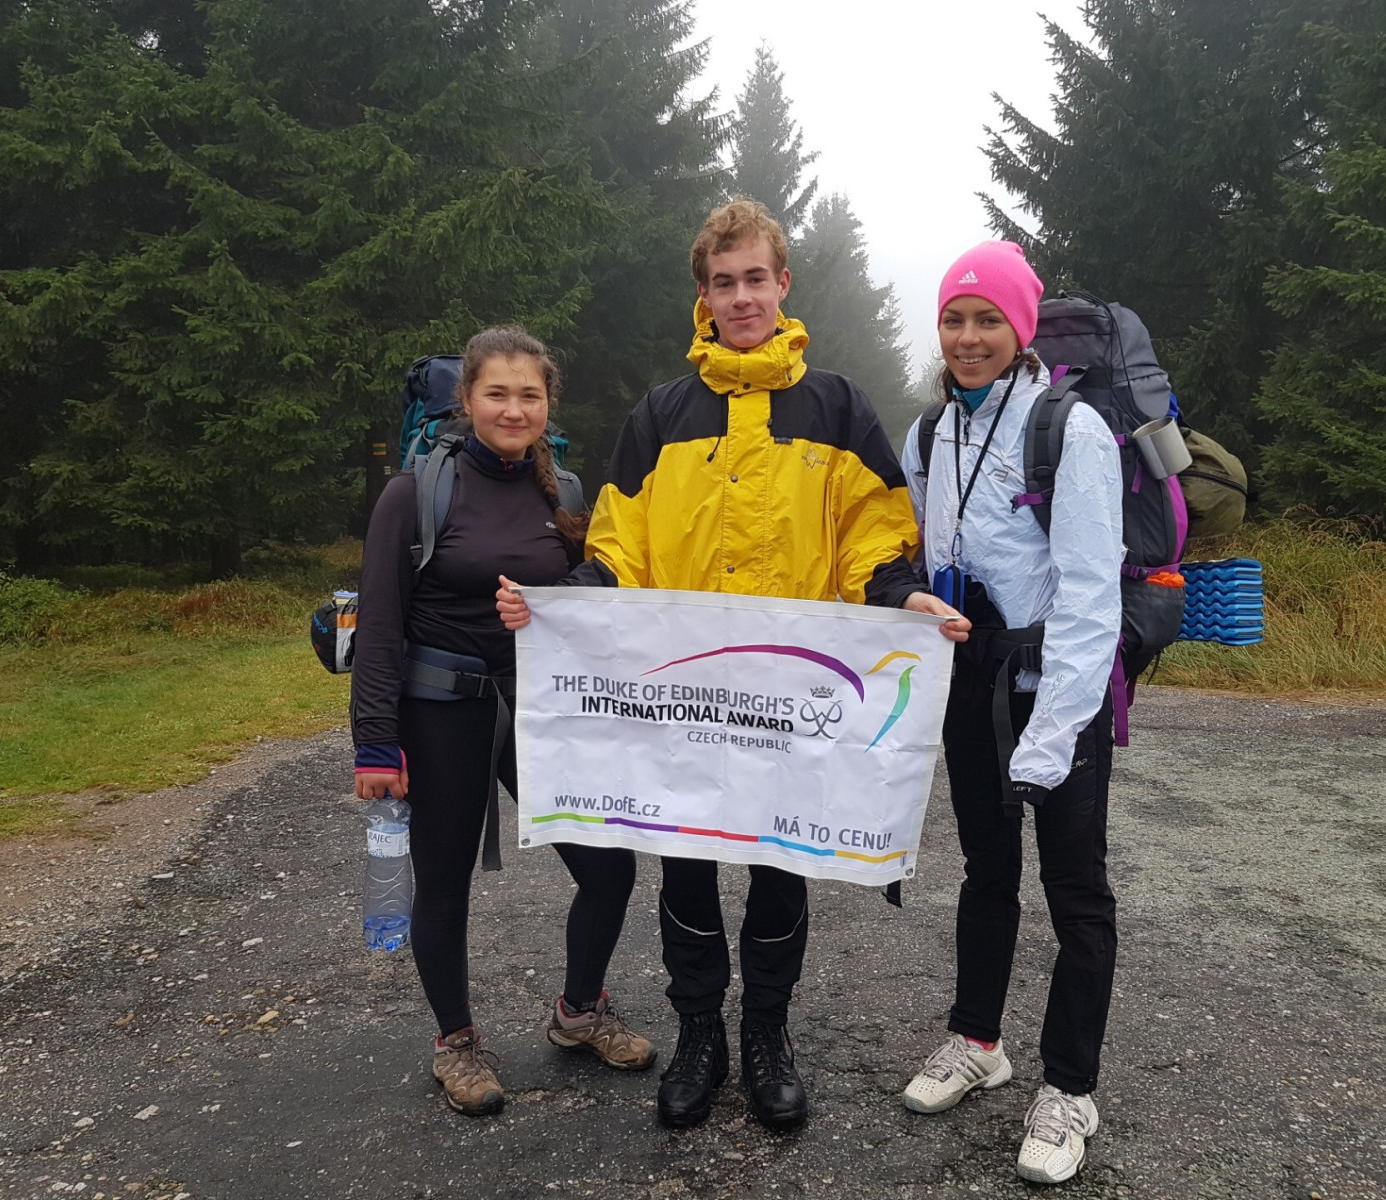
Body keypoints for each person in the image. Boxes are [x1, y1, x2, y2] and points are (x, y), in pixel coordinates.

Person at [497, 198, 969, 1133]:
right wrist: (564, 602)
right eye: (724, 283)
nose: (742, 296)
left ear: (783, 283)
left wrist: (900, 593)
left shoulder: (837, 406)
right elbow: (622, 540)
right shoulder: (661, 414)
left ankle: (767, 1036)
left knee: (781, 864)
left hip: (793, 691)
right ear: (703, 296)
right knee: (686, 870)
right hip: (687, 693)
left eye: (756, 278)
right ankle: (699, 1037)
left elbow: (872, 531)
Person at [352, 326, 655, 1117]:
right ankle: (456, 1045)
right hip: (440, 710)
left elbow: (598, 598)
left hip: (543, 707)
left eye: (530, 394)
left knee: (609, 867)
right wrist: (375, 742)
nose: (514, 409)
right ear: (467, 399)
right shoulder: (413, 491)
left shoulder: (568, 494)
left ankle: (579, 1012)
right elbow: (379, 625)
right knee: (444, 883)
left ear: (548, 402)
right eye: (497, 393)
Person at [895, 241, 1123, 1184]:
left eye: (988, 319)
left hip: (1056, 687)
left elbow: (1091, 598)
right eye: (954, 319)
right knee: (987, 873)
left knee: (1076, 891)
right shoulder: (928, 433)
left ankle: (1070, 1088)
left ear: (1021, 328)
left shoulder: (1070, 430)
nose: (968, 337)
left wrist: (1053, 733)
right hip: (971, 681)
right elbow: (916, 553)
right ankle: (978, 1043)